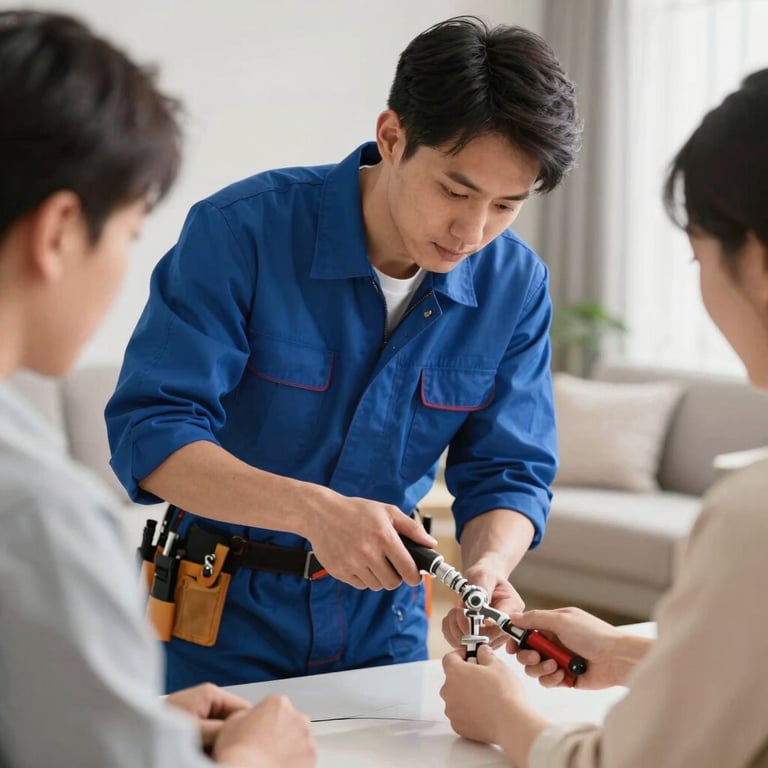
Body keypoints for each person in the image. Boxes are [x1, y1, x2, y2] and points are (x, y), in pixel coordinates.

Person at [105, 15, 582, 692]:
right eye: (456, 190)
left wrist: (487, 567)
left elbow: (510, 471)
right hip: (217, 618)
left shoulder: (515, 285)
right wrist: (311, 512)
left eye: (506, 205)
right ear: (393, 137)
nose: (473, 232)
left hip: (383, 626)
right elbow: (150, 434)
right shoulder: (241, 233)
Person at [0, 11, 315, 767]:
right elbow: (153, 428)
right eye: (133, 232)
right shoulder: (39, 516)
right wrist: (257, 757)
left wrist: (124, 718)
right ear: (60, 232)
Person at [440, 69, 768, 767]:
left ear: (759, 266)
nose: (474, 231)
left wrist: (504, 714)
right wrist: (626, 651)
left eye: (696, 256)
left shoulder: (755, 515)